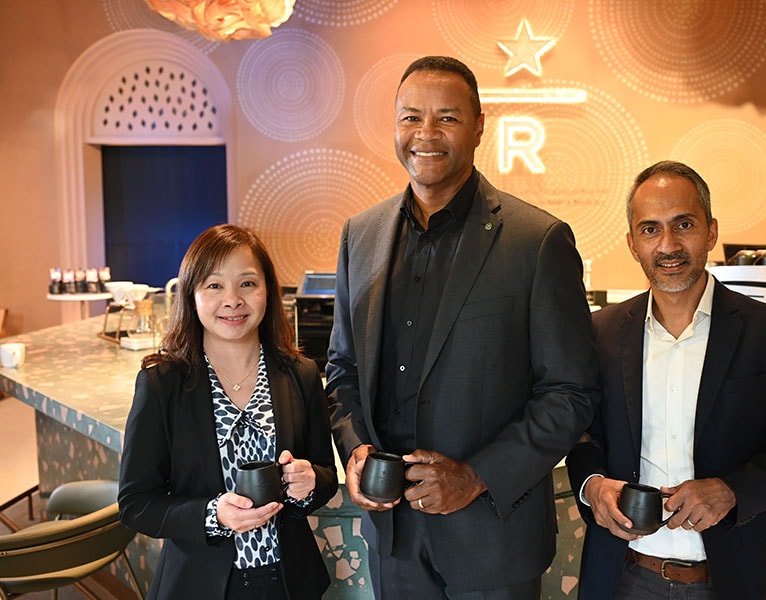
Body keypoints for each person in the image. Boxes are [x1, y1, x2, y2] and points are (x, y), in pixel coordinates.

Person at [326, 56, 600, 599]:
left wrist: (475, 476)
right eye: (411, 117)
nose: (425, 134)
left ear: (479, 126)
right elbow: (342, 368)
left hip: (492, 540)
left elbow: (570, 393)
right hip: (394, 537)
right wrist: (355, 448)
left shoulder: (537, 240)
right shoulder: (361, 234)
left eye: (447, 118)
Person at [567, 161, 766, 600]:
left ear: (710, 231)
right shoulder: (600, 333)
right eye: (650, 230)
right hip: (623, 576)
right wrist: (593, 487)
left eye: (682, 224)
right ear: (633, 244)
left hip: (734, 577)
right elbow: (581, 437)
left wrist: (731, 490)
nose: (667, 245)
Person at [118, 224, 338, 599]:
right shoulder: (162, 383)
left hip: (288, 582)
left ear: (269, 290)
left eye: (248, 284)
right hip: (198, 584)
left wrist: (310, 481)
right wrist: (212, 515)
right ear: (191, 294)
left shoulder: (300, 374)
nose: (233, 300)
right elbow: (137, 504)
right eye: (214, 285)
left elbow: (326, 477)